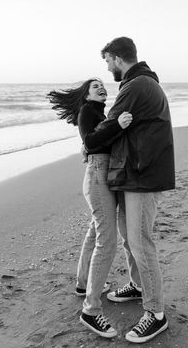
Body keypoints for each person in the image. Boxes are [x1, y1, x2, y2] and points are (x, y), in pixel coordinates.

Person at [95, 37, 175, 344]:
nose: (106, 67)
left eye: (107, 61)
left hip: (141, 174)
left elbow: (110, 127)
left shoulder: (135, 85)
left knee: (141, 242)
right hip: (137, 172)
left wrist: (88, 140)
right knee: (131, 238)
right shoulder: (143, 82)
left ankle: (156, 314)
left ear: (117, 58)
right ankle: (139, 286)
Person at [48, 79, 132, 338]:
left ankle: (84, 285)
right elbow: (93, 141)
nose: (101, 88)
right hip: (97, 175)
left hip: (100, 173)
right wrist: (117, 125)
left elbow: (92, 142)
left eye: (102, 85)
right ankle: (91, 311)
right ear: (86, 94)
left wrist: (107, 131)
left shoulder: (98, 113)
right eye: (95, 86)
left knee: (96, 232)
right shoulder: (88, 110)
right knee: (106, 241)